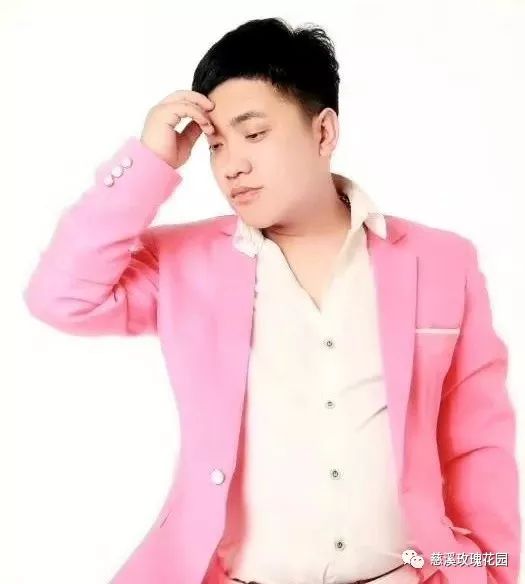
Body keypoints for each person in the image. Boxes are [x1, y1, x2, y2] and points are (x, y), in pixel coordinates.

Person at [23, 16, 520, 584]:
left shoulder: (441, 262)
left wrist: (489, 573)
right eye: (216, 145)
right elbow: (61, 297)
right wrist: (149, 162)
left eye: (254, 134)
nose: (231, 165)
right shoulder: (185, 263)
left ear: (323, 133)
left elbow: (478, 448)